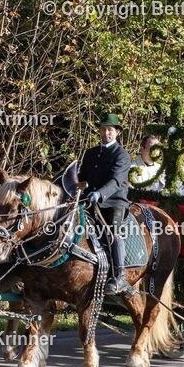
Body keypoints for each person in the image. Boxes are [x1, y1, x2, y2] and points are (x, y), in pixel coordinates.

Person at [79, 113, 133, 295]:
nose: (106, 132)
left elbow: (117, 182)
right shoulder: (91, 153)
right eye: (103, 129)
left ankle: (120, 276)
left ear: (116, 132)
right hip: (89, 199)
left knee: (112, 233)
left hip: (114, 202)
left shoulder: (122, 155)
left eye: (110, 129)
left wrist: (100, 194)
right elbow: (81, 178)